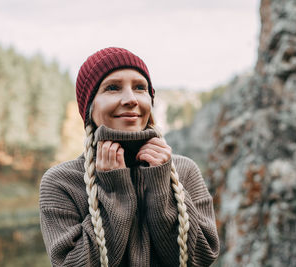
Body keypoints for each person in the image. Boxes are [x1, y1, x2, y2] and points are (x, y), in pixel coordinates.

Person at [39, 47, 219, 267]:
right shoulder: (61, 181)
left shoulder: (184, 170)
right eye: (113, 88)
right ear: (89, 107)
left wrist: (161, 184)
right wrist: (114, 190)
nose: (131, 99)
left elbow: (201, 258)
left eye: (140, 87)